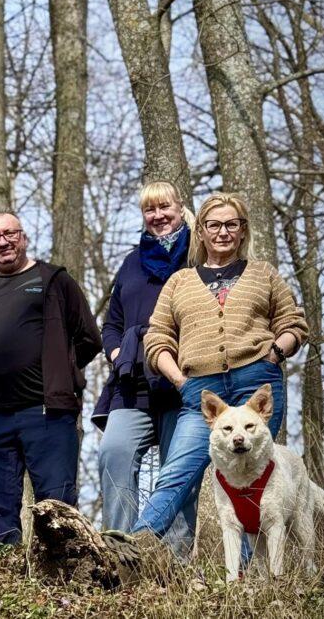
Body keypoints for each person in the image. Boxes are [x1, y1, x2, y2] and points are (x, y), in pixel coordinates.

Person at [127, 192, 308, 547]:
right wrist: (180, 380)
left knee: (251, 478)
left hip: (256, 387)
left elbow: (293, 324)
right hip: (201, 393)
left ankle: (241, 576)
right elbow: (157, 339)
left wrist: (273, 354)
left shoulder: (264, 274)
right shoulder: (179, 282)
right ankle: (136, 546)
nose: (222, 232)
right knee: (177, 472)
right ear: (202, 232)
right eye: (214, 225)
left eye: (231, 224)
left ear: (242, 231)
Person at [0, 212, 102, 544]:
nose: (3, 242)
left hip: (46, 412)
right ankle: (8, 577)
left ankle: (64, 574)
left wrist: (58, 369)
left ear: (23, 237)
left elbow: (89, 338)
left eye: (10, 233)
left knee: (57, 505)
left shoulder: (54, 280)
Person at [92, 181, 195, 558]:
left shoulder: (197, 257)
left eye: (164, 207)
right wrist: (119, 353)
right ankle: (120, 553)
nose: (157, 216)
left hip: (182, 381)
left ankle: (175, 561)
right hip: (132, 382)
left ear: (181, 208)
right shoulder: (132, 261)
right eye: (149, 210)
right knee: (113, 452)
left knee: (178, 468)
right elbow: (111, 324)